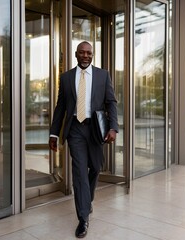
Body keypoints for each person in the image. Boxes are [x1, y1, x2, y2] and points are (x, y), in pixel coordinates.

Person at [49, 41, 118, 238]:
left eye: (89, 53)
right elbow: (60, 106)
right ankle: (83, 218)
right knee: (79, 172)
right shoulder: (66, 77)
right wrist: (54, 133)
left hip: (95, 128)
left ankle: (87, 200)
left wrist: (113, 127)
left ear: (92, 54)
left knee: (96, 167)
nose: (86, 56)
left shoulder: (103, 75)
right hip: (75, 130)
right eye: (82, 52)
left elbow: (111, 102)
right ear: (76, 54)